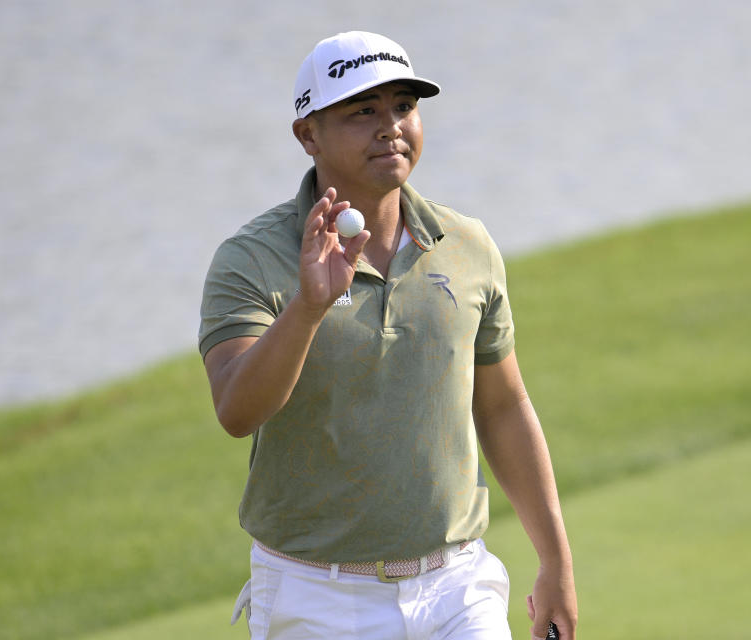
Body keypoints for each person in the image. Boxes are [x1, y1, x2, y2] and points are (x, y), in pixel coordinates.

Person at [199, 30, 578, 640]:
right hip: (316, 598)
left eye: (404, 106)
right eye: (362, 112)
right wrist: (308, 306)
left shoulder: (466, 245)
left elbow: (504, 407)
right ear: (308, 135)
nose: (391, 126)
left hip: (457, 588)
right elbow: (237, 410)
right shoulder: (251, 259)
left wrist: (555, 561)